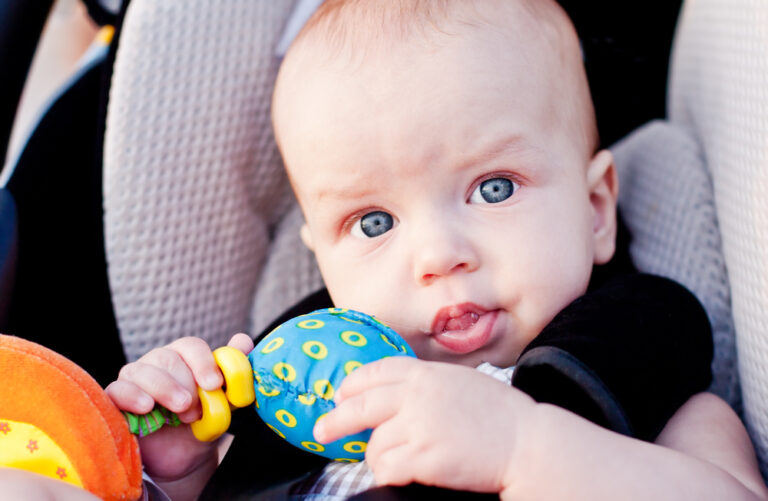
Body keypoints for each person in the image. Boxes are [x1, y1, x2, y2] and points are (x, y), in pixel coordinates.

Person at [107, 0, 768, 499]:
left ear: (596, 211)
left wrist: (524, 449)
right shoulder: (296, 412)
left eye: (495, 187)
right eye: (372, 223)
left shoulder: (648, 387)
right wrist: (184, 476)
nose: (437, 255)